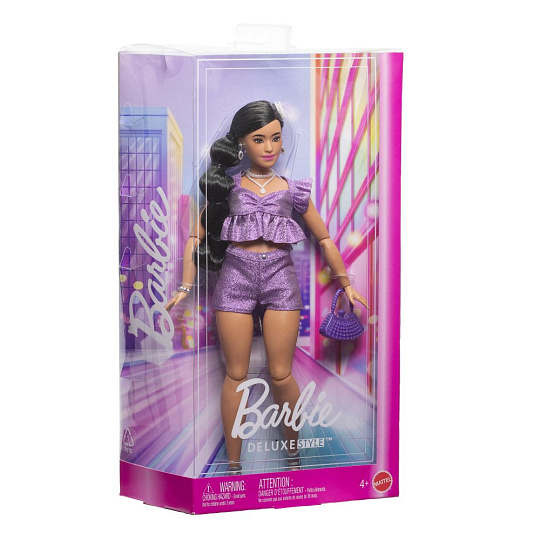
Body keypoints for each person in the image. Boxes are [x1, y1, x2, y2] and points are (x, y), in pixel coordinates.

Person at [165, 100, 368, 474]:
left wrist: (346, 283)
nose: (270, 147)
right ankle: (234, 464)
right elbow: (196, 236)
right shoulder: (227, 187)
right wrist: (184, 286)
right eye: (259, 139)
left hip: (280, 279)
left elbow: (324, 239)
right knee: (235, 374)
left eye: (276, 137)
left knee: (281, 373)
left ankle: (294, 455)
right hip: (235, 278)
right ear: (242, 143)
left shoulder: (293, 189)